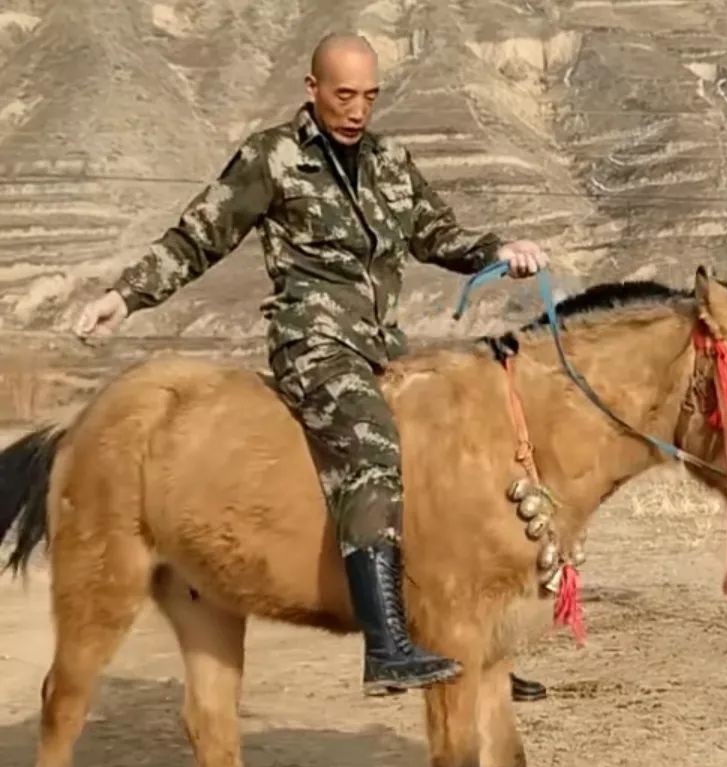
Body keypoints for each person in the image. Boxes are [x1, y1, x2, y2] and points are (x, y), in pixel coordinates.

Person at [74, 32, 550, 701]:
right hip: (313, 344)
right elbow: (198, 236)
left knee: (451, 458)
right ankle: (386, 648)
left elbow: (437, 234)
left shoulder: (389, 160)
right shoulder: (273, 157)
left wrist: (501, 248)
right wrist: (125, 296)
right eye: (344, 95)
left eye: (370, 96)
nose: (358, 110)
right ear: (312, 88)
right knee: (373, 444)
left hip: (385, 345)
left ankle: (468, 645)